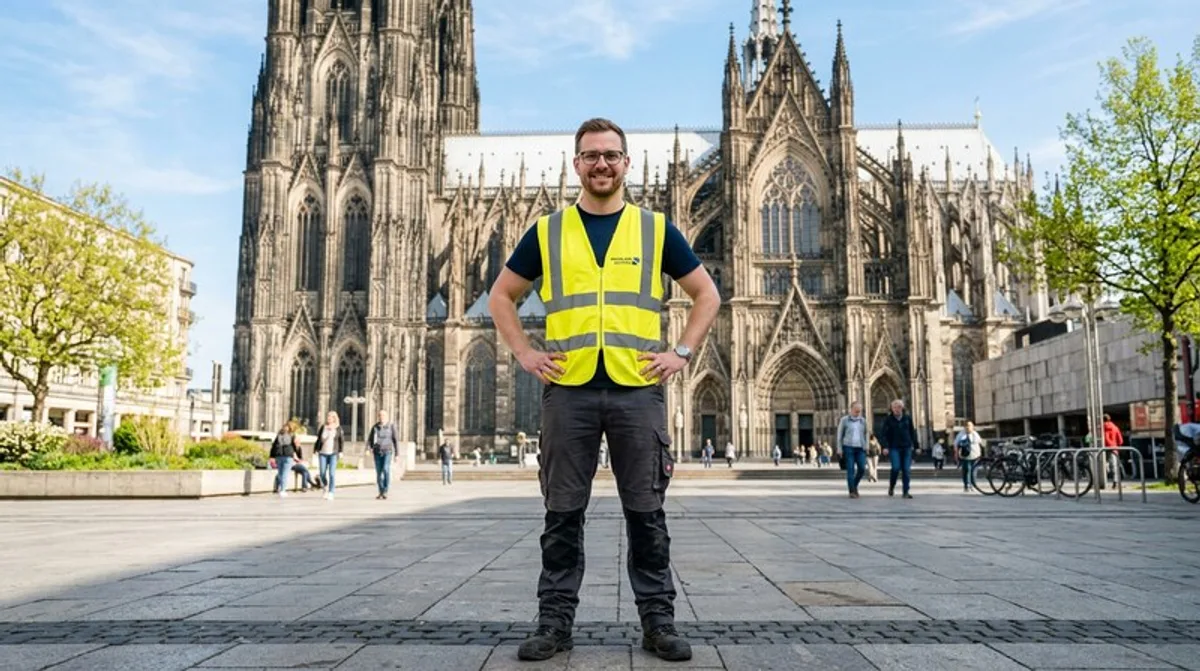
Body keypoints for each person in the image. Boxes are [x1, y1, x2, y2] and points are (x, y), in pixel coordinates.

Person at [488, 118, 719, 663]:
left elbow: (705, 293)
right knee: (562, 513)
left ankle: (658, 623)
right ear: (576, 165)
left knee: (646, 512)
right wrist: (524, 352)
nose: (601, 165)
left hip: (636, 386)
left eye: (611, 156)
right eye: (591, 156)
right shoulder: (548, 231)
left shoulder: (655, 228)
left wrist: (680, 352)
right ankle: (554, 623)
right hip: (569, 389)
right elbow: (501, 296)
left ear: (626, 164)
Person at [879, 399, 920, 499]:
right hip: (894, 447)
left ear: (902, 408)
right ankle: (892, 486)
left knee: (906, 470)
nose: (897, 409)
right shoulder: (888, 420)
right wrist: (884, 446)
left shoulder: (907, 418)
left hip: (906, 447)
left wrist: (917, 446)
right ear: (892, 409)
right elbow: (883, 434)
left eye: (899, 407)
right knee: (896, 468)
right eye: (895, 407)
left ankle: (905, 491)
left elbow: (912, 433)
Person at [837, 402, 868, 498]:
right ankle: (852, 491)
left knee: (862, 469)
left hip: (860, 448)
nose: (858, 412)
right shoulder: (844, 420)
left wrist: (867, 446)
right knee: (850, 469)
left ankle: (854, 485)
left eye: (860, 410)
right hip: (848, 447)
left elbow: (866, 433)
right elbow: (840, 435)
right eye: (856, 410)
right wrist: (839, 448)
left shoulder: (863, 421)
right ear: (851, 409)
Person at [312, 411, 344, 500]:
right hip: (323, 452)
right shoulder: (323, 427)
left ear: (334, 418)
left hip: (334, 453)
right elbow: (319, 439)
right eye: (328, 417)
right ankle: (325, 487)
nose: (328, 418)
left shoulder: (338, 428)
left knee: (332, 473)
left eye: (330, 417)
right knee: (322, 473)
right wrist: (315, 450)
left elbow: (341, 440)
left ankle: (331, 492)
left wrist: (341, 452)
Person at [367, 410, 398, 500]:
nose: (381, 417)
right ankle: (381, 491)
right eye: (380, 415)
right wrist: (368, 448)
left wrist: (397, 454)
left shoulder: (391, 426)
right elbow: (370, 439)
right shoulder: (375, 427)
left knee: (385, 469)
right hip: (377, 451)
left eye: (383, 415)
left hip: (387, 451)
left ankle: (385, 490)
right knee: (379, 473)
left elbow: (395, 440)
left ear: (387, 417)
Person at [269, 422, 299, 497]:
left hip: (284, 456)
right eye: (285, 427)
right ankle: (283, 488)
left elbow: (274, 446)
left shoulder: (286, 436)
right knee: (282, 473)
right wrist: (271, 456)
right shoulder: (284, 435)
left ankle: (282, 489)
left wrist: (272, 456)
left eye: (286, 427)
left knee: (282, 473)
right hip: (283, 456)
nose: (285, 428)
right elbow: (274, 445)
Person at [954, 421, 983, 493]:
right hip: (965, 457)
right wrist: (956, 456)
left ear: (973, 427)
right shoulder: (961, 434)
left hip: (975, 456)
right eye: (966, 425)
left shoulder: (975, 434)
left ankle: (973, 485)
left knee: (974, 472)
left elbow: (980, 443)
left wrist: (980, 454)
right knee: (967, 471)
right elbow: (956, 445)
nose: (968, 427)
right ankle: (967, 485)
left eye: (969, 425)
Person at [1102, 414, 1124, 489]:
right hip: (1113, 448)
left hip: (1103, 449)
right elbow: (1120, 441)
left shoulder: (1100, 428)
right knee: (1114, 465)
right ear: (1109, 419)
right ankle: (1115, 481)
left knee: (1103, 463)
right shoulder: (1115, 428)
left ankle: (1104, 475)